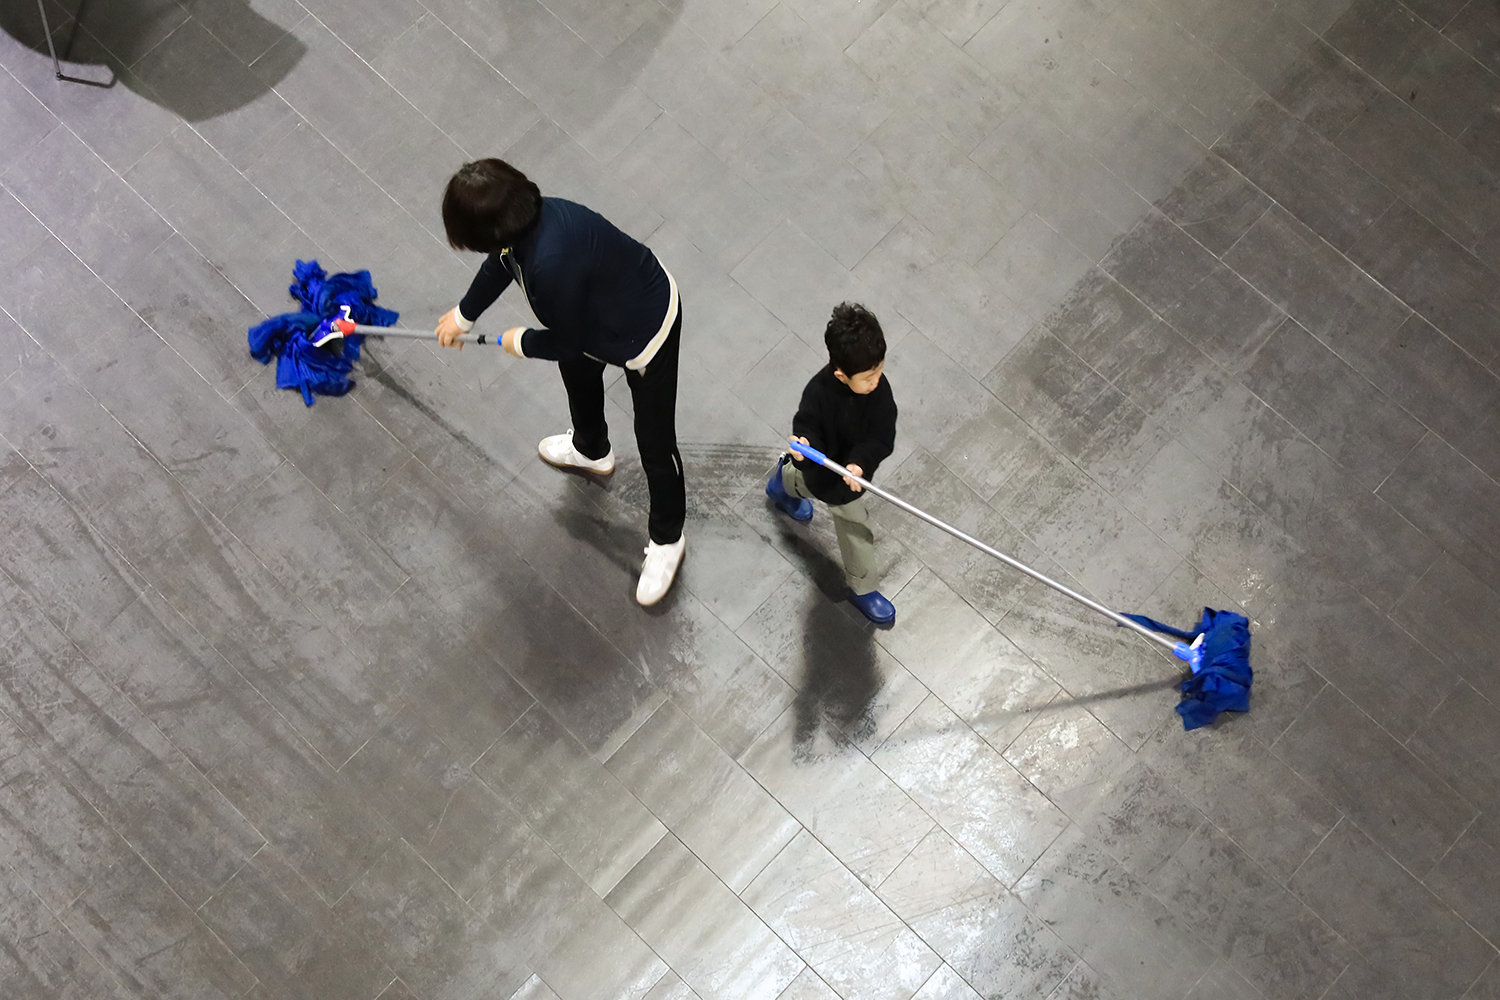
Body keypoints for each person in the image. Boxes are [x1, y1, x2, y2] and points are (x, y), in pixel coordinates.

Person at [435, 159, 685, 606]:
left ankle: (669, 539)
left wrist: (523, 341)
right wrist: (463, 315)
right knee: (579, 378)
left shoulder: (551, 262)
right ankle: (591, 450)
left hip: (645, 330)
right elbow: (502, 262)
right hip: (590, 317)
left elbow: (568, 341)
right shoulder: (522, 225)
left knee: (655, 441)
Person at [766, 303, 898, 625]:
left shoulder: (880, 393)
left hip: (849, 483)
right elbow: (807, 424)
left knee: (854, 526)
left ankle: (862, 585)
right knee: (800, 482)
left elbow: (882, 436)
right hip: (820, 473)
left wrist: (860, 464)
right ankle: (782, 484)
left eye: (879, 371)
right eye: (868, 377)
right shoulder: (818, 392)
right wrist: (805, 445)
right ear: (841, 374)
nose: (876, 381)